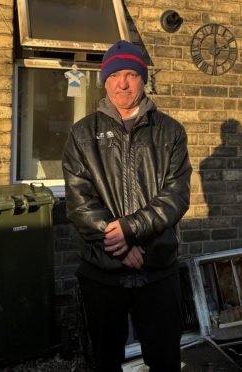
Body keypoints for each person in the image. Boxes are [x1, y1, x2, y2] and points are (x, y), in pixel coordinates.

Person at [62, 40, 192, 372]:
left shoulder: (170, 132)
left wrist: (132, 231)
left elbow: (176, 195)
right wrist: (120, 246)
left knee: (164, 360)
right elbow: (79, 203)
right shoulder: (81, 134)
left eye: (131, 74)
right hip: (102, 272)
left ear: (143, 79)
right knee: (105, 361)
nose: (123, 83)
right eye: (116, 74)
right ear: (104, 81)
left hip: (157, 269)